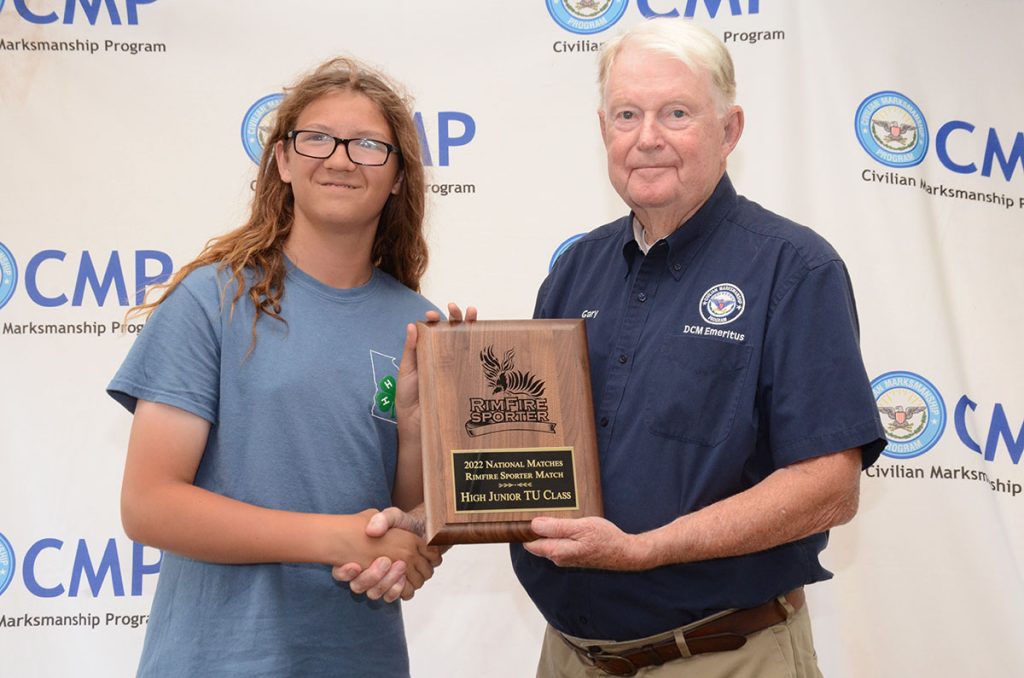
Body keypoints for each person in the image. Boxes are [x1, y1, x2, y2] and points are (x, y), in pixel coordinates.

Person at [509, 20, 887, 677]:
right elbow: (531, 449)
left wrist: (644, 550)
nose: (647, 137)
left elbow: (829, 487)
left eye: (676, 113)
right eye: (627, 114)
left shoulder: (794, 269)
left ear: (729, 130)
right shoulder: (575, 270)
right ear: (605, 130)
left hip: (720, 658)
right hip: (569, 656)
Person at [108, 56, 452, 677]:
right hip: (214, 660)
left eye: (370, 145)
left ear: (400, 176)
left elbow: (403, 517)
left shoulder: (421, 326)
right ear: (283, 160)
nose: (342, 158)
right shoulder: (211, 300)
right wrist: (333, 537)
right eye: (317, 138)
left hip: (358, 660)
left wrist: (415, 436)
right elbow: (149, 504)